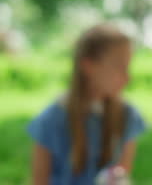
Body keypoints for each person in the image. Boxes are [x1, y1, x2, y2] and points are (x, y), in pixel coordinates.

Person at [28, 24, 145, 184]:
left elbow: (121, 173)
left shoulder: (127, 115)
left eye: (128, 66)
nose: (127, 77)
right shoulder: (52, 120)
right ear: (88, 66)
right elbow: (39, 180)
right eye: (120, 67)